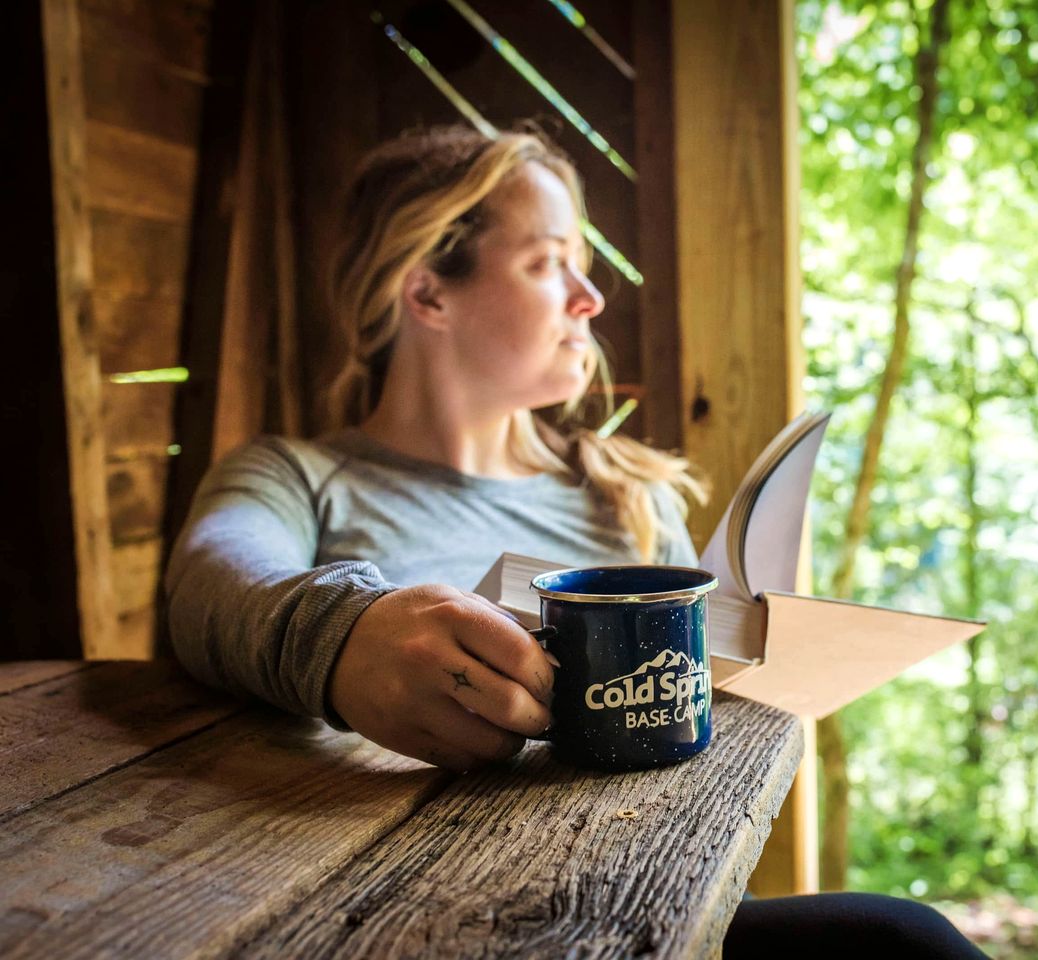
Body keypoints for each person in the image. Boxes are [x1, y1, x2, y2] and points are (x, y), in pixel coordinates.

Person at [164, 125, 988, 959]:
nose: (589, 296)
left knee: (898, 942)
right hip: (377, 910)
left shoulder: (631, 498)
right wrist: (343, 638)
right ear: (428, 295)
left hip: (635, 898)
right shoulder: (295, 477)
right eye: (547, 262)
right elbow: (210, 583)